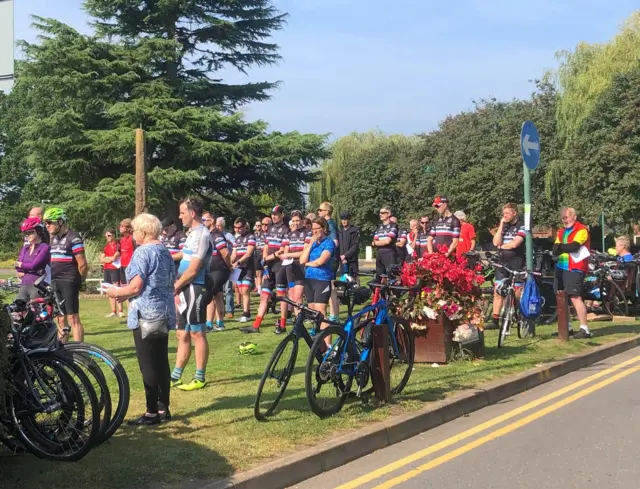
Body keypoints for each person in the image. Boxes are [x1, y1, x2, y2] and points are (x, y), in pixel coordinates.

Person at [105, 213, 175, 426]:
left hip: (145, 313)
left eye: (135, 231)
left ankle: (152, 412)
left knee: (148, 364)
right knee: (161, 361)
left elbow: (136, 286)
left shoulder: (142, 253)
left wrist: (116, 292)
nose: (132, 235)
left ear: (143, 232)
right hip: (164, 311)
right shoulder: (165, 251)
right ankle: (164, 407)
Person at [171, 197, 211, 391]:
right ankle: (176, 375)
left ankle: (200, 377)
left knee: (197, 331)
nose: (180, 217)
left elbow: (194, 269)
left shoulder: (202, 234)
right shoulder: (192, 233)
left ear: (192, 213)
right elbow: (185, 255)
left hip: (195, 285)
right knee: (182, 333)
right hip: (184, 286)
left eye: (182, 213)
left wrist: (176, 285)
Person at [240, 205, 288, 334]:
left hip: (280, 266)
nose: (274, 216)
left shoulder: (286, 229)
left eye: (276, 214)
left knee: (282, 296)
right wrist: (265, 259)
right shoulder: (270, 229)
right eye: (272, 214)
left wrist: (269, 257)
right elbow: (266, 246)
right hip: (269, 266)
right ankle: (256, 325)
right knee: (264, 296)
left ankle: (283, 324)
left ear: (282, 215)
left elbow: (283, 249)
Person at [44, 207, 88, 342]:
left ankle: (79, 350)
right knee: (60, 318)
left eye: (50, 222)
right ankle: (61, 351)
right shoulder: (53, 238)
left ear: (60, 222)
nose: (47, 226)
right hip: (56, 280)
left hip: (69, 280)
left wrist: (81, 281)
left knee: (73, 317)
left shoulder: (73, 237)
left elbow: (83, 264)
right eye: (46, 223)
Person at [553, 207, 591, 339]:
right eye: (562, 218)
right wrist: (563, 248)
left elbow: (574, 246)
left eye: (566, 217)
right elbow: (555, 249)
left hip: (575, 267)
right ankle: (566, 327)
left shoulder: (581, 229)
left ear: (574, 216)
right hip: (561, 266)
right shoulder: (561, 231)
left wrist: (561, 247)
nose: (564, 220)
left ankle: (584, 329)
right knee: (561, 297)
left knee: (575, 296)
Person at [300, 217, 336, 348]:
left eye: (317, 229)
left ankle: (328, 345)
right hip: (309, 280)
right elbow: (301, 259)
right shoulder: (314, 243)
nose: (315, 232)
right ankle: (319, 344)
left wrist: (308, 264)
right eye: (313, 229)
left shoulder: (329, 243)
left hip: (322, 279)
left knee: (321, 313)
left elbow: (321, 261)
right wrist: (310, 244)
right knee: (313, 313)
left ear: (324, 229)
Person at [490, 203, 526, 330]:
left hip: (517, 262)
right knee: (498, 291)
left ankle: (518, 315)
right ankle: (495, 320)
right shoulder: (504, 227)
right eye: (503, 213)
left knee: (517, 292)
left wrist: (502, 246)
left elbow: (515, 244)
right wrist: (501, 225)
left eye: (507, 213)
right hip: (502, 262)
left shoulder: (522, 225)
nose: (504, 215)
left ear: (514, 213)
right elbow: (495, 242)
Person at [277, 211, 306, 334]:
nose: (295, 223)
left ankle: (299, 324)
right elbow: (285, 251)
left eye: (297, 220)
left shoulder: (307, 233)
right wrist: (286, 255)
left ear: (302, 221)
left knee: (298, 297)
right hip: (290, 268)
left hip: (301, 268)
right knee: (293, 297)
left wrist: (288, 255)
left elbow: (304, 252)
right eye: (293, 221)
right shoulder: (289, 235)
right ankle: (297, 324)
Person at [205, 215, 231, 331]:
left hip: (219, 269)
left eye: (204, 220)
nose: (202, 222)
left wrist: (229, 265)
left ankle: (209, 324)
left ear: (211, 221)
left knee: (209, 295)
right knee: (218, 295)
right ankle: (220, 322)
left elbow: (225, 253)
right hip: (211, 270)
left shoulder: (216, 235)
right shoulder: (207, 234)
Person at [15, 218, 50, 302]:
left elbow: (35, 265)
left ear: (38, 231)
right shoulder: (25, 248)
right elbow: (18, 266)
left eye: (30, 232)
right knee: (17, 311)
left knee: (35, 310)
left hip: (37, 284)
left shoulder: (45, 247)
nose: (27, 235)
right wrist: (21, 266)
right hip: (24, 284)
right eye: (25, 233)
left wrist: (22, 265)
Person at [316, 202, 340, 322]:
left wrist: (326, 253)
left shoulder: (330, 224)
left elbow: (335, 242)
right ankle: (333, 315)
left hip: (331, 260)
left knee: (331, 288)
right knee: (330, 287)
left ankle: (334, 316)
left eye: (320, 210)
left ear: (326, 212)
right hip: (330, 260)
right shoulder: (328, 224)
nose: (318, 212)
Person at [230, 218, 256, 323]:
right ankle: (245, 313)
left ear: (245, 226)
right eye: (235, 227)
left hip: (248, 267)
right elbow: (234, 254)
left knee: (245, 291)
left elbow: (249, 253)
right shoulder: (237, 239)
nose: (237, 230)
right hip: (238, 269)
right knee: (240, 290)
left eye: (239, 227)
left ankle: (246, 313)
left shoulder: (251, 237)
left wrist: (238, 262)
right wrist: (230, 263)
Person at [100, 229, 123, 318]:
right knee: (109, 289)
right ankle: (113, 311)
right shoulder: (105, 246)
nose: (107, 237)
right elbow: (101, 259)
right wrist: (108, 259)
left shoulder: (117, 245)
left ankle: (120, 310)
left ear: (113, 235)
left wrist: (108, 259)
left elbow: (114, 258)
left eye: (109, 235)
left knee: (116, 288)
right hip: (107, 269)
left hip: (115, 268)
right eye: (106, 236)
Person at [216, 217, 236, 319]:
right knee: (218, 291)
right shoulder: (213, 235)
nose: (218, 227)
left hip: (228, 265)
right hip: (218, 267)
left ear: (223, 226)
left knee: (228, 289)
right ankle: (220, 311)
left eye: (219, 225)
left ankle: (229, 310)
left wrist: (231, 261)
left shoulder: (228, 236)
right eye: (217, 225)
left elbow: (235, 247)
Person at [372, 206, 398, 277]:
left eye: (383, 213)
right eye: (380, 213)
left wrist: (377, 243)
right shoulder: (379, 227)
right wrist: (377, 242)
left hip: (389, 253)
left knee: (391, 277)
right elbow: (373, 242)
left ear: (389, 214)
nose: (380, 214)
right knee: (379, 277)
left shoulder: (393, 226)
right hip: (379, 253)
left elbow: (387, 241)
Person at [337, 212, 360, 281]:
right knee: (343, 280)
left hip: (352, 260)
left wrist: (345, 255)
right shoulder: (339, 231)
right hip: (342, 260)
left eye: (346, 219)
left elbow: (355, 246)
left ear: (349, 220)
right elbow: (338, 246)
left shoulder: (354, 231)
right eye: (342, 219)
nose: (344, 221)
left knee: (353, 280)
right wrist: (341, 256)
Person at [254, 217, 271, 294]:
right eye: (262, 224)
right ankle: (259, 289)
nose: (263, 226)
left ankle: (265, 288)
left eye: (266, 224)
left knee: (266, 272)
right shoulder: (257, 234)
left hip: (268, 255)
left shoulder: (271, 234)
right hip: (258, 254)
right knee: (258, 272)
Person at [119, 218, 135, 285]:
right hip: (122, 265)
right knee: (123, 284)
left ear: (128, 228)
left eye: (122, 226)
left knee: (130, 284)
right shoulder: (121, 239)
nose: (120, 228)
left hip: (130, 265)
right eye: (120, 226)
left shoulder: (133, 238)